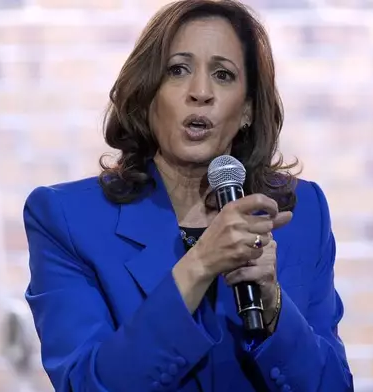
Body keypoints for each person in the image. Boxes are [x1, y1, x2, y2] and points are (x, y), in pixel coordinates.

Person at [23, 0, 354, 391]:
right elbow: (88, 384)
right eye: (178, 70)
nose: (201, 92)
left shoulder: (301, 214)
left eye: (223, 75)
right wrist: (199, 265)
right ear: (147, 96)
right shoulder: (66, 218)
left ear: (247, 109)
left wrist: (273, 308)